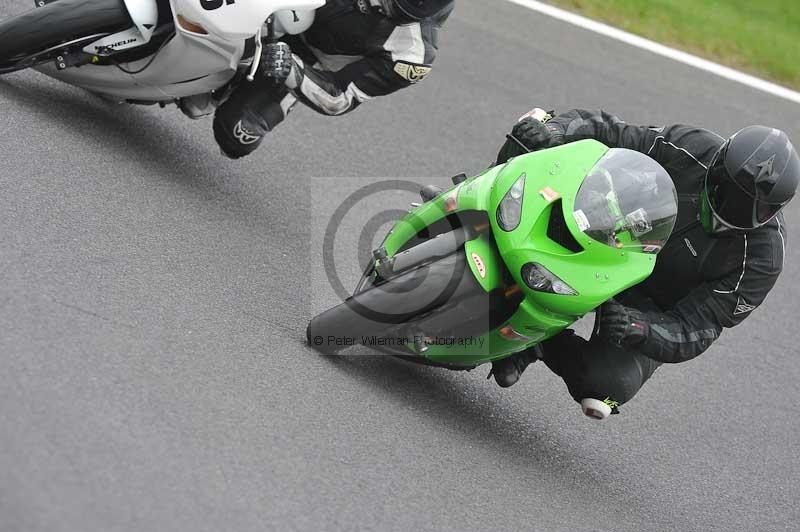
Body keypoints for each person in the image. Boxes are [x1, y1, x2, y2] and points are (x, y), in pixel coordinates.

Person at [491, 108, 799, 419]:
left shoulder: (761, 260)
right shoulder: (693, 146)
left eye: (749, 208)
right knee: (529, 135)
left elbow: (697, 329)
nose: (730, 208)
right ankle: (463, 208)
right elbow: (614, 132)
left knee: (607, 387)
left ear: (773, 211)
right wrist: (554, 131)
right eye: (726, 189)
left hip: (650, 305)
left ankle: (531, 343)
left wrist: (638, 326)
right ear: (719, 162)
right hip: (610, 235)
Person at [211, 0, 454, 159]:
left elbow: (339, 98)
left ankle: (224, 87)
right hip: (273, 7)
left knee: (237, 135)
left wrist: (291, 70)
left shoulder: (413, 54)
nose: (381, 6)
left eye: (396, 10)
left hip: (303, 58)